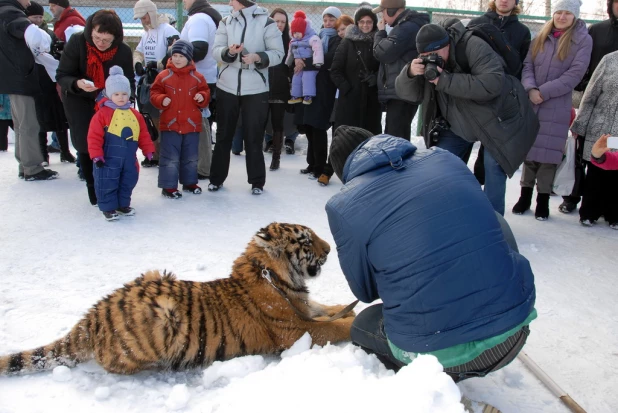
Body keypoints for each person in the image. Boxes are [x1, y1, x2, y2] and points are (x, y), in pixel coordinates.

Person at [325, 126, 536, 381]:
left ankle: (430, 384)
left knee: (363, 325)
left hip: (441, 357)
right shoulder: (444, 158)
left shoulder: (343, 205)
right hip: (513, 333)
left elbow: (365, 292)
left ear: (344, 171)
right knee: (494, 221)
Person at [395, 21, 538, 217]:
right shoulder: (428, 62)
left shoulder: (472, 45)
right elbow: (409, 94)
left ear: (447, 44)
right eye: (425, 56)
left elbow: (492, 83)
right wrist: (410, 73)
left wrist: (444, 80)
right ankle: (448, 215)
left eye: (435, 54)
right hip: (458, 122)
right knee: (441, 164)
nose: (432, 59)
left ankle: (493, 223)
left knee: (493, 167)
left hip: (497, 119)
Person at [514, 0, 591, 220]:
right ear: (553, 15)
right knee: (529, 152)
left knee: (548, 156)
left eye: (568, 13)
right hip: (532, 101)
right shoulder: (540, 36)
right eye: (559, 12)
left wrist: (543, 92)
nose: (562, 17)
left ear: (575, 16)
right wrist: (530, 88)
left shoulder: (582, 40)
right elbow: (527, 65)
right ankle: (524, 196)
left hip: (556, 104)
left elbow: (574, 75)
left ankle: (543, 200)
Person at [56, 10, 134, 205]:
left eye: (106, 40)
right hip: (79, 99)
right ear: (91, 31)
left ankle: (109, 185)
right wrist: (77, 83)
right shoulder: (77, 42)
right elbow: (62, 75)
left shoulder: (123, 51)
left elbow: (129, 81)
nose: (100, 43)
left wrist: (120, 96)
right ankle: (93, 188)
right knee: (86, 143)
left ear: (115, 38)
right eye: (97, 37)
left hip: (109, 104)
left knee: (111, 144)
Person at [209, 0, 284, 195]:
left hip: (256, 88)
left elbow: (278, 53)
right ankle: (216, 179)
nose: (229, 2)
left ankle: (257, 182)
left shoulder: (267, 22)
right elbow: (216, 50)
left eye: (232, 0)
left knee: (254, 135)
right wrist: (229, 52)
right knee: (223, 134)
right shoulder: (226, 21)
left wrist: (257, 57)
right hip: (227, 85)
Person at [561, 0, 618, 214]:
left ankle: (606, 206)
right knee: (583, 155)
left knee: (611, 157)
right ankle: (573, 196)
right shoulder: (598, 30)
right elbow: (582, 60)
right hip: (595, 105)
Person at [468, 0, 531, 184]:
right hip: (474, 92)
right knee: (464, 142)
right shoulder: (477, 23)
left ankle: (484, 188)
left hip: (502, 96)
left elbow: (521, 66)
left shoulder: (522, 31)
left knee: (492, 151)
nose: (504, 0)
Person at [0, 0, 58, 181]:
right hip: (21, 78)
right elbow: (26, 30)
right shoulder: (11, 12)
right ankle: (32, 168)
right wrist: (40, 38)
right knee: (29, 125)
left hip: (14, 78)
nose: (30, 1)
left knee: (21, 125)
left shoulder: (5, 9)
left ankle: (25, 165)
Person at [87, 66, 155, 221]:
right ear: (110, 94)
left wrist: (148, 149)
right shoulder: (102, 114)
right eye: (116, 94)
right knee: (108, 180)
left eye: (124, 94)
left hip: (128, 157)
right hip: (108, 158)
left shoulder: (135, 115)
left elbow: (143, 134)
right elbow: (94, 137)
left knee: (128, 180)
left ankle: (123, 204)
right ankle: (108, 207)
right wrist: (96, 154)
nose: (121, 97)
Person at [150, 41, 210, 199]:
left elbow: (206, 93)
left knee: (191, 157)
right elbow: (154, 93)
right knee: (170, 157)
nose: (177, 59)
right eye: (174, 55)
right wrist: (161, 99)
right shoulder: (163, 76)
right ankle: (168, 186)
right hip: (170, 125)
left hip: (191, 124)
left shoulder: (198, 78)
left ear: (189, 58)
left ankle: (189, 182)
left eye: (181, 56)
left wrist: (202, 97)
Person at [570, 51, 618, 228]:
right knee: (596, 171)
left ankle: (614, 214)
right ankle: (589, 212)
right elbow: (590, 95)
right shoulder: (610, 59)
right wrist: (580, 125)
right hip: (601, 129)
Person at [294, 6, 342, 180]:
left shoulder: (338, 39)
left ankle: (320, 166)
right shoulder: (318, 36)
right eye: (325, 20)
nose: (328, 23)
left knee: (319, 126)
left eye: (332, 20)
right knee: (309, 126)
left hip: (327, 89)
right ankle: (311, 163)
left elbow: (327, 60)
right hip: (312, 87)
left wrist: (303, 62)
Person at [26, 1, 75, 166]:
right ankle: (43, 154)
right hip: (35, 81)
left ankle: (65, 151)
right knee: (40, 119)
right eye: (34, 17)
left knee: (59, 117)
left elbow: (58, 53)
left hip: (51, 80)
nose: (37, 20)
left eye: (40, 16)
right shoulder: (25, 34)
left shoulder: (48, 33)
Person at [372, 0, 429, 141]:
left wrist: (380, 33)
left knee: (395, 139)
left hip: (402, 93)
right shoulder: (405, 26)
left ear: (391, 11)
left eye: (383, 12)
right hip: (401, 91)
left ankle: (398, 163)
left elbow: (382, 53)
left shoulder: (406, 28)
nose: (382, 17)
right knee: (396, 136)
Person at [133, 0, 180, 168]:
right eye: (140, 18)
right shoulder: (147, 33)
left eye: (144, 16)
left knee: (165, 119)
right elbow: (138, 50)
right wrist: (138, 63)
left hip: (166, 82)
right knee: (151, 119)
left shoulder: (168, 30)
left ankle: (168, 154)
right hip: (150, 82)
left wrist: (158, 64)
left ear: (151, 13)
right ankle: (155, 153)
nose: (142, 21)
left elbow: (176, 52)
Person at [180, 0, 221, 181]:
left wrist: (174, 57)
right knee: (202, 124)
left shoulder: (199, 18)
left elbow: (199, 49)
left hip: (198, 80)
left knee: (199, 126)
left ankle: (202, 167)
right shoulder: (205, 16)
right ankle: (202, 165)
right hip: (205, 78)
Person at [330, 6, 381, 135]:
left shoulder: (380, 42)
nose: (365, 25)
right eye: (362, 21)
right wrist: (347, 88)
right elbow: (335, 70)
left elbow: (385, 68)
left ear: (374, 23)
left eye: (369, 22)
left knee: (369, 140)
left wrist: (376, 78)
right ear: (357, 23)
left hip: (371, 102)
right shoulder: (347, 42)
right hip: (349, 103)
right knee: (347, 141)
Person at [286, 11, 323, 106]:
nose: (296, 35)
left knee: (307, 77)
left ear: (304, 30)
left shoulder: (311, 38)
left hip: (310, 65)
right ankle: (296, 95)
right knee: (296, 77)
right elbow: (290, 52)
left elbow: (317, 49)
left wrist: (317, 62)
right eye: (294, 33)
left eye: (299, 32)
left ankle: (308, 95)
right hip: (298, 65)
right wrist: (288, 62)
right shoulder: (293, 41)